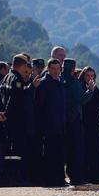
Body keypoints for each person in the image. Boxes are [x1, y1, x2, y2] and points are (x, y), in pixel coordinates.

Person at [0, 54, 35, 186]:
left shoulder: (5, 77)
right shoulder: (16, 79)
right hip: (16, 121)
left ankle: (10, 177)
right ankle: (16, 179)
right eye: (26, 66)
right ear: (23, 65)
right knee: (17, 152)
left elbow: (0, 98)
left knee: (10, 152)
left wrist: (0, 112)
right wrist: (32, 87)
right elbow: (15, 99)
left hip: (6, 120)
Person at [35, 58, 68, 186]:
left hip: (60, 124)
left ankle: (60, 179)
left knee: (60, 153)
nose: (55, 71)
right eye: (53, 69)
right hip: (48, 125)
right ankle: (50, 179)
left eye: (57, 69)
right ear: (48, 69)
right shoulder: (44, 83)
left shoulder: (61, 82)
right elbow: (40, 105)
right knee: (50, 153)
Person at [79, 67, 99, 185]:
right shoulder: (80, 87)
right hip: (84, 124)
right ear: (83, 76)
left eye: (92, 76)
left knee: (96, 151)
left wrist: (93, 89)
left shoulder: (95, 89)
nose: (90, 78)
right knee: (85, 150)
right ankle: (85, 176)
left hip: (95, 125)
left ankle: (97, 177)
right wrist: (89, 91)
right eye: (87, 76)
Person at [62, 58, 88, 186]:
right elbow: (82, 99)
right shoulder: (74, 82)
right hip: (74, 119)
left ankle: (62, 176)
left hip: (61, 119)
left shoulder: (59, 79)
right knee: (77, 149)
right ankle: (76, 177)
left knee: (63, 149)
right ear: (73, 69)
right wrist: (90, 90)